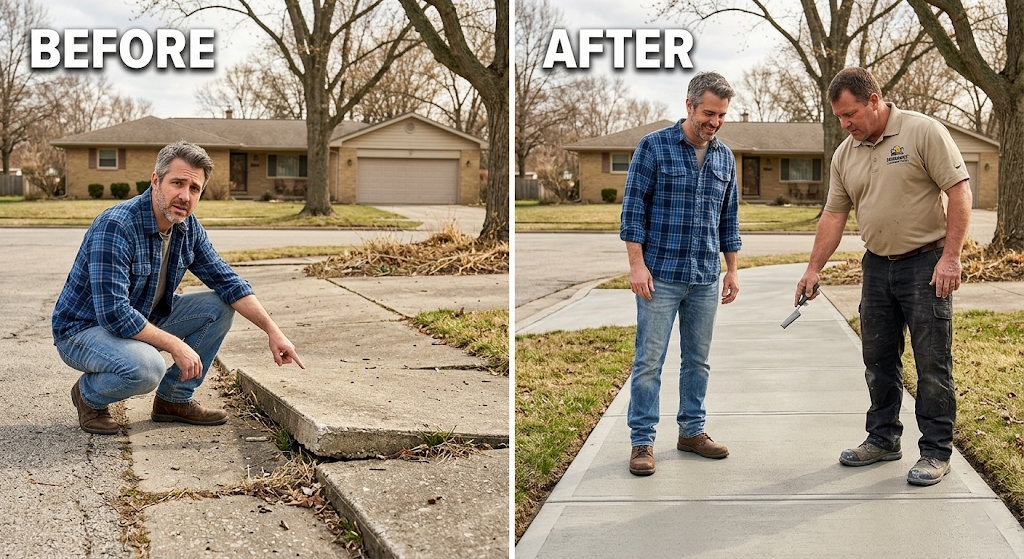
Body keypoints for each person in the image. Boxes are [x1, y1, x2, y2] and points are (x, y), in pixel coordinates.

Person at [53, 140, 305, 435]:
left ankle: (173, 399)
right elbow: (113, 314)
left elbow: (228, 281)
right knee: (147, 368)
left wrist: (273, 332)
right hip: (83, 330)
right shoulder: (117, 225)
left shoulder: (188, 228)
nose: (185, 196)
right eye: (177, 183)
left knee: (219, 306)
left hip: (141, 317)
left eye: (194, 188)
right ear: (156, 181)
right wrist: (175, 345)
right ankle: (89, 395)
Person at [795, 67, 971, 486]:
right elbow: (835, 215)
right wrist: (813, 267)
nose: (845, 124)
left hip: (926, 265)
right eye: (839, 117)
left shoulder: (922, 131)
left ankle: (935, 451)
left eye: (850, 114)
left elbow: (959, 191)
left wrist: (951, 258)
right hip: (876, 266)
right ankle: (883, 438)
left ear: (874, 101)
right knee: (877, 358)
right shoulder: (845, 153)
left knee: (931, 361)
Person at [619, 71, 742, 476]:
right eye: (709, 113)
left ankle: (692, 432)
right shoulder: (653, 147)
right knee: (649, 361)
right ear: (689, 106)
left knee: (698, 361)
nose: (715, 121)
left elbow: (729, 219)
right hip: (661, 276)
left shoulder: (724, 156)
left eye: (722, 115)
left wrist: (732, 270)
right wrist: (636, 266)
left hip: (705, 275)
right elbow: (633, 211)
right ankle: (642, 442)